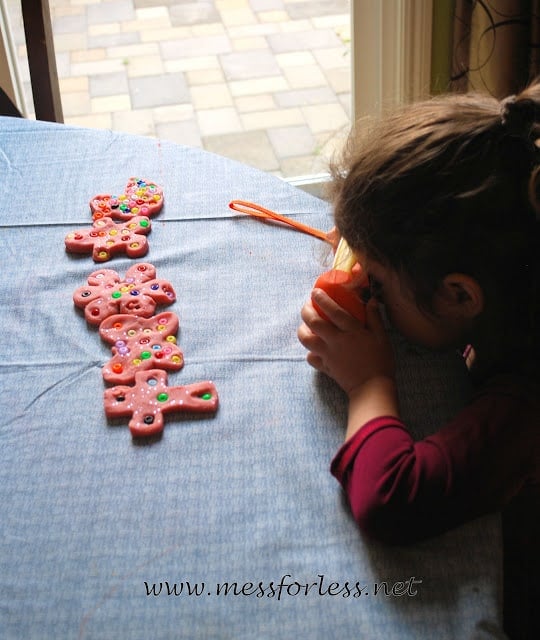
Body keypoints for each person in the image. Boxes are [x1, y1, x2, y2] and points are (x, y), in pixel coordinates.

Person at [297, 82, 540, 635]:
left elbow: (393, 501)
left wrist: (368, 382)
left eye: (377, 282)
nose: (363, 284)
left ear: (458, 296)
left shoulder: (525, 400)